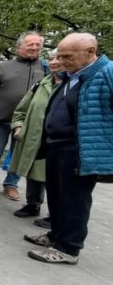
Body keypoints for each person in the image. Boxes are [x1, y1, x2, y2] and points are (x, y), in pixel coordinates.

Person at [25, 33, 113, 264]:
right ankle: (56, 235)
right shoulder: (71, 76)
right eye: (59, 56)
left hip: (81, 149)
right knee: (56, 194)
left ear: (91, 52)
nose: (61, 61)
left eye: (67, 56)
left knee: (74, 199)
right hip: (57, 146)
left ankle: (68, 248)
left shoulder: (107, 73)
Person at [0, 31, 45, 200]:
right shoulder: (4, 67)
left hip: (27, 123)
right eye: (30, 44)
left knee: (19, 154)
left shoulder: (45, 68)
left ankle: (11, 185)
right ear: (19, 47)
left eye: (38, 45)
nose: (35, 47)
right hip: (1, 119)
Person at [8, 50, 61, 225]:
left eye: (59, 58)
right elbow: (21, 110)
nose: (54, 62)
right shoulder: (41, 84)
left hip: (57, 141)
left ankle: (56, 216)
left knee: (56, 178)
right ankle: (33, 205)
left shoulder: (72, 86)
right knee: (34, 172)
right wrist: (18, 127)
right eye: (51, 58)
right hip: (34, 138)